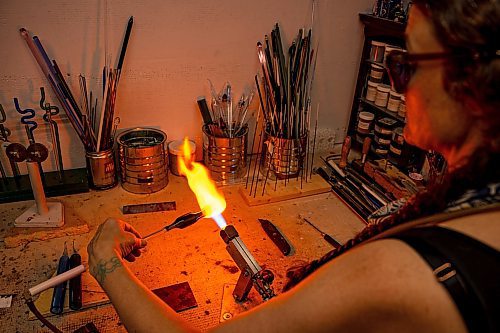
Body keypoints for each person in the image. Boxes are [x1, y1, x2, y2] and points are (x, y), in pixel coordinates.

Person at [87, 1, 500, 332]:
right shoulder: (481, 206)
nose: (396, 81)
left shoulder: (398, 269)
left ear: (469, 80)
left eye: (407, 64)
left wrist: (107, 264)